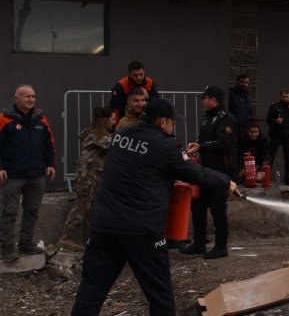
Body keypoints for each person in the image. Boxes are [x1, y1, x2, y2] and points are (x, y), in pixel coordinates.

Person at [70, 98, 237, 316]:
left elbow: (143, 163)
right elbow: (195, 173)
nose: (174, 126)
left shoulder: (121, 135)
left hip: (105, 227)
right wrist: (226, 182)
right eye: (172, 122)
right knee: (161, 297)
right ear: (162, 122)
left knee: (90, 292)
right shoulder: (165, 146)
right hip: (142, 232)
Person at [0, 84, 56, 262]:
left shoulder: (41, 119)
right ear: (16, 98)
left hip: (36, 175)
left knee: (32, 210)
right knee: (9, 212)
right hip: (12, 175)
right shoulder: (4, 119)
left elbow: (49, 143)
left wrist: (50, 164)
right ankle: (7, 247)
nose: (31, 99)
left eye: (33, 96)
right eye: (27, 97)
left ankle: (26, 243)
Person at [180, 86, 237, 260]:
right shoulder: (209, 119)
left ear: (212, 100)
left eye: (204, 98)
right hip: (205, 170)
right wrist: (195, 144)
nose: (202, 101)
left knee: (217, 208)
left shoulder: (226, 119)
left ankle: (221, 247)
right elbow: (204, 140)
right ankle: (199, 243)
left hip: (221, 171)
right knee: (198, 206)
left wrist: (202, 147)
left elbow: (223, 144)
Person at [57, 107, 113, 251]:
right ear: (105, 120)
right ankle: (66, 237)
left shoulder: (95, 133)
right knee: (82, 206)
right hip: (87, 175)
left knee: (91, 209)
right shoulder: (98, 135)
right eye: (112, 119)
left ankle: (90, 239)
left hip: (94, 175)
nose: (114, 122)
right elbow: (115, 146)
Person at [266, 90, 289, 185]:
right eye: (284, 96)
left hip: (287, 137)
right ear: (280, 97)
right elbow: (268, 120)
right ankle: (266, 179)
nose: (285, 98)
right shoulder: (274, 106)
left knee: (288, 158)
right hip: (276, 135)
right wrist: (275, 121)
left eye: (287, 97)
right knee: (271, 156)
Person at [109, 60, 158, 125]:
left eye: (141, 74)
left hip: (146, 119)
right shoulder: (121, 85)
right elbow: (114, 109)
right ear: (130, 74)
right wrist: (114, 127)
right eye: (135, 75)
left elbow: (158, 103)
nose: (139, 78)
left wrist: (148, 96)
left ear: (144, 72)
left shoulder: (150, 83)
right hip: (126, 118)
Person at [227, 74, 252, 139]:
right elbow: (226, 109)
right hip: (233, 127)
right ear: (237, 82)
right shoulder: (230, 92)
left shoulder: (247, 95)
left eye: (246, 82)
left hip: (245, 128)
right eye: (242, 82)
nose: (244, 84)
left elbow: (249, 110)